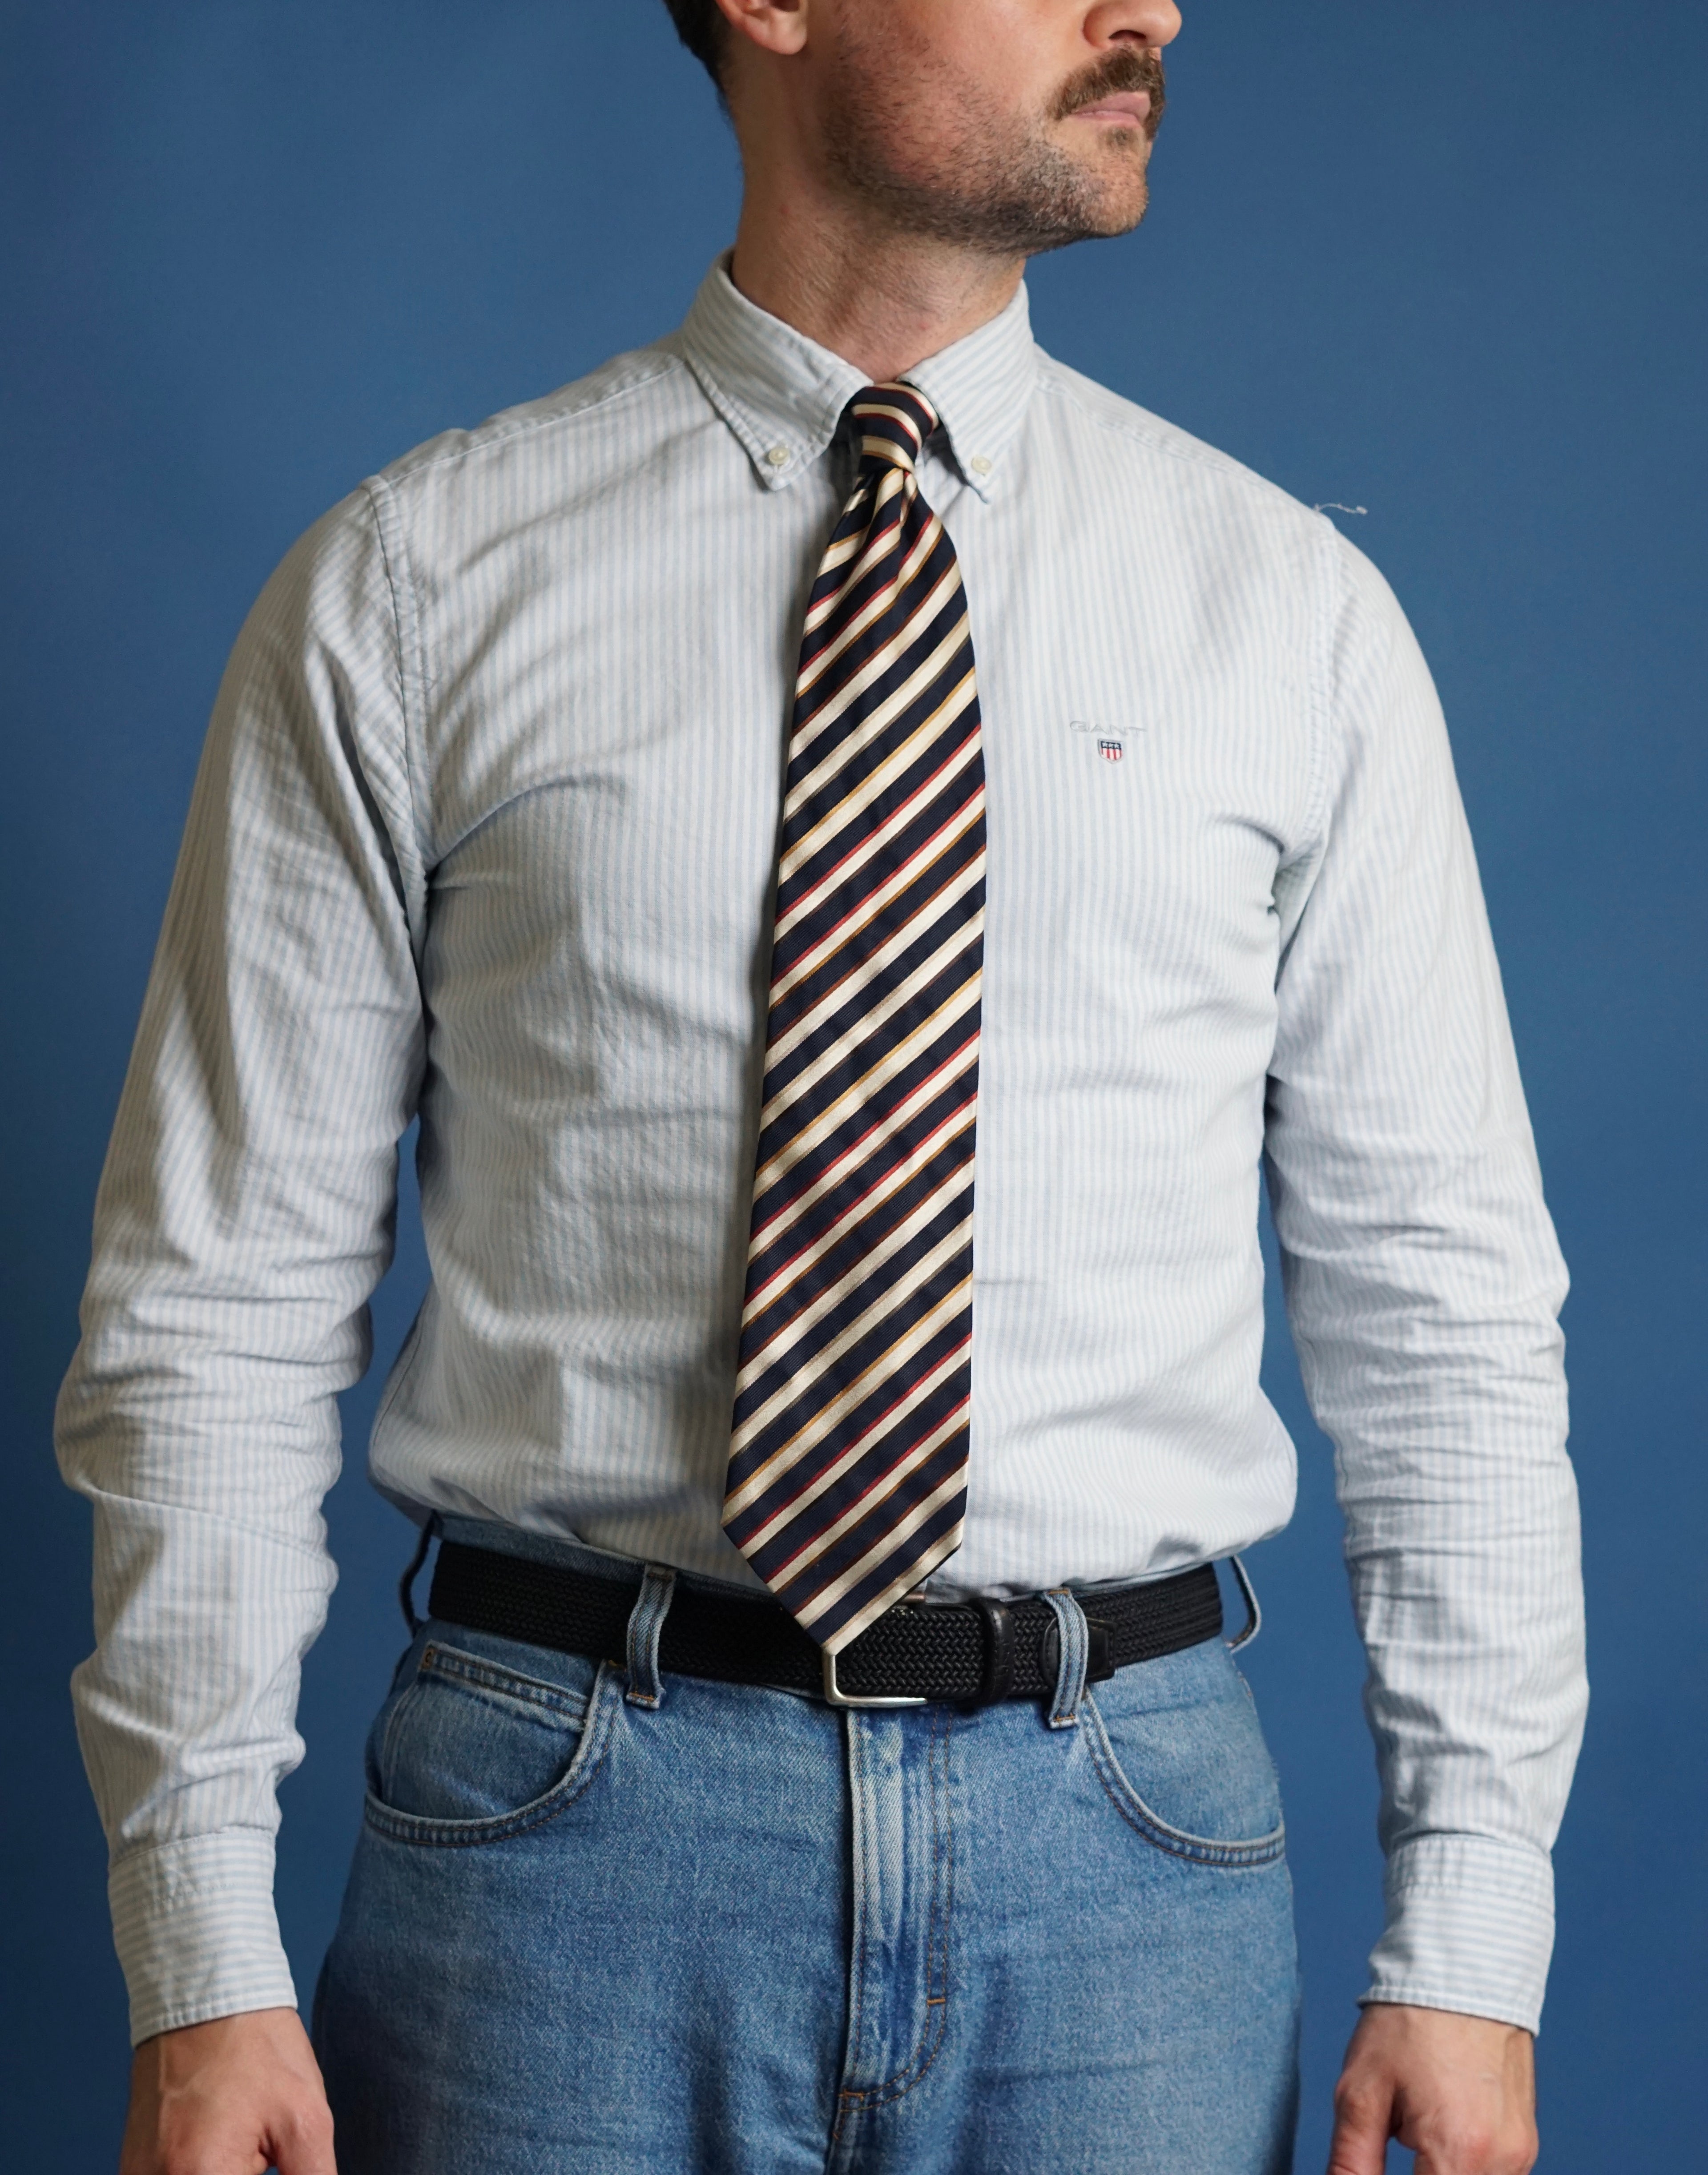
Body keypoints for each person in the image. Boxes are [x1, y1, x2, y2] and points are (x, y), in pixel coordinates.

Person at [57, 2, 1587, 2170]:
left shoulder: (1294, 622)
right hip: (560, 1834)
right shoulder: (410, 593)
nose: (1145, 4)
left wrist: (1474, 1929)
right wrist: (200, 1946)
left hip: (1129, 1863)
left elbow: (1442, 1308)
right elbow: (215, 1302)